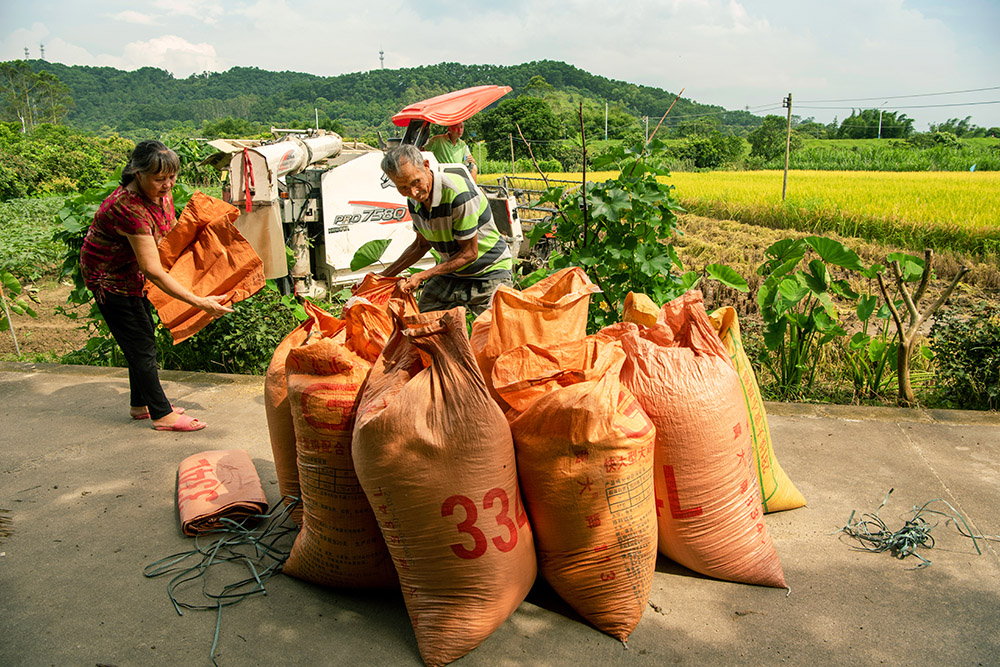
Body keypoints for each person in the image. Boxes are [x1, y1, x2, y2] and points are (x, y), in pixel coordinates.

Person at [80, 140, 233, 432]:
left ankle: (140, 405)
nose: (167, 185)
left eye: (172, 178)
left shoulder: (161, 195)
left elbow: (169, 232)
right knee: (141, 346)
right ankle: (161, 414)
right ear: (137, 173)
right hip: (109, 279)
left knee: (143, 337)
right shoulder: (128, 208)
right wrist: (199, 302)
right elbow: (152, 269)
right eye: (159, 179)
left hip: (131, 274)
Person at [378, 144, 511, 317]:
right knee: (422, 323)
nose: (413, 192)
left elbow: (470, 253)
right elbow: (421, 245)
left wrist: (422, 275)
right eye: (403, 187)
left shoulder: (458, 194)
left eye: (415, 181)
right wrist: (383, 277)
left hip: (490, 272)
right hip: (454, 273)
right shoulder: (414, 201)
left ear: (426, 166)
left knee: (489, 335)